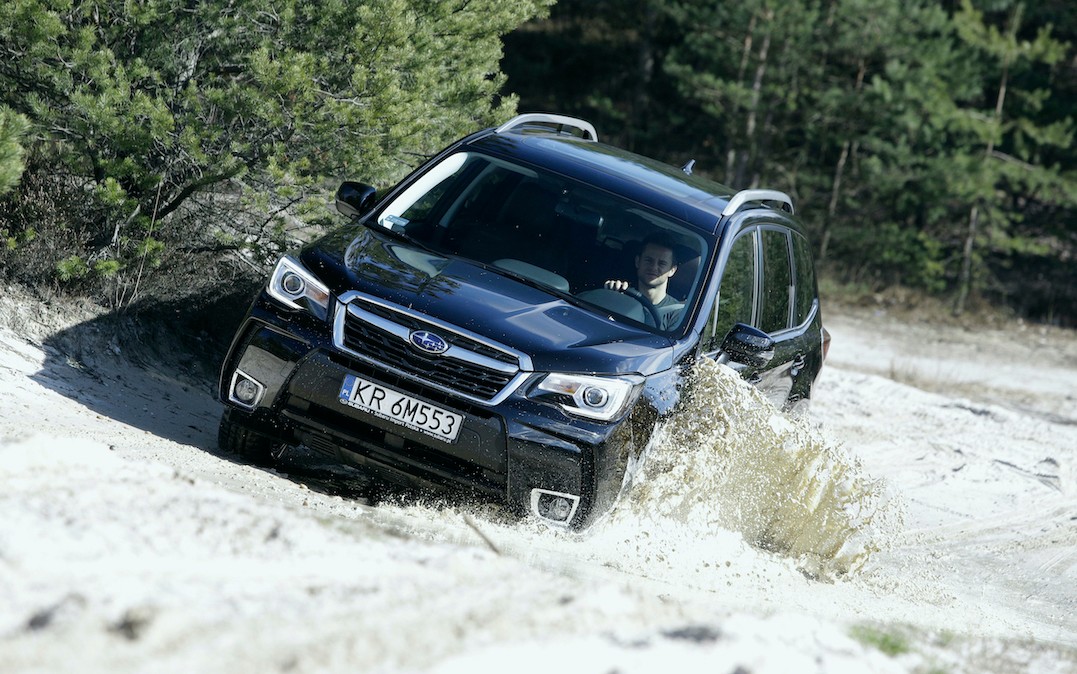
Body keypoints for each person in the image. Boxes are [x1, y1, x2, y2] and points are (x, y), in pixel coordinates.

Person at [604, 232, 683, 329]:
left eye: (662, 263)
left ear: (672, 270)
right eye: (648, 260)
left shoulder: (677, 314)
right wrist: (610, 294)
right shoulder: (620, 296)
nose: (653, 268)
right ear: (637, 262)